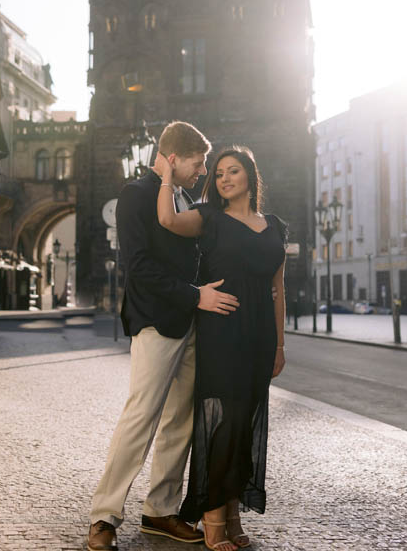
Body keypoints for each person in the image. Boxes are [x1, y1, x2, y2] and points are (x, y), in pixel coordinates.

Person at [87, 121, 240, 551]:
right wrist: (196, 296)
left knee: (181, 422)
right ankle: (104, 516)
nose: (203, 169)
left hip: (191, 323)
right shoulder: (135, 195)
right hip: (156, 321)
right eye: (198, 161)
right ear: (174, 158)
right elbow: (140, 268)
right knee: (141, 418)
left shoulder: (187, 198)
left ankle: (161, 509)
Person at [156, 146, 287, 551]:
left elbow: (278, 288)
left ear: (250, 174)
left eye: (233, 171)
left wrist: (280, 344)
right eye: (218, 173)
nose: (224, 178)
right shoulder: (208, 217)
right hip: (221, 328)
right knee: (223, 422)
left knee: (245, 423)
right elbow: (166, 220)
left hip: (260, 333)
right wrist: (165, 175)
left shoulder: (275, 225)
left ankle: (231, 516)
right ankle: (212, 516)